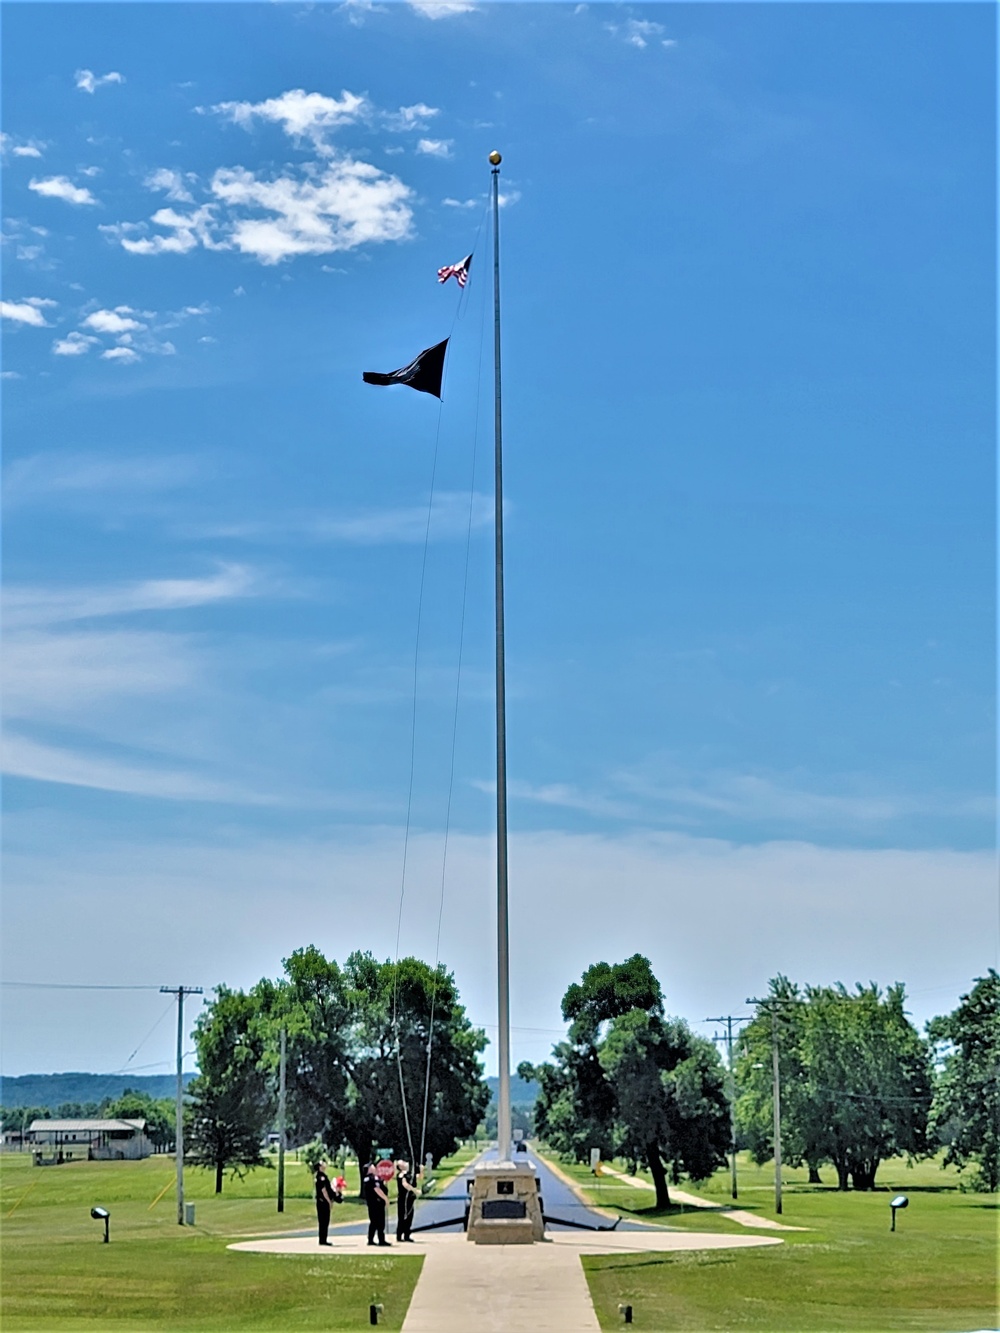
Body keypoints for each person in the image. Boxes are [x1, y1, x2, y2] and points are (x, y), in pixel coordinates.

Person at [363, 1162, 390, 1246]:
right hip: (375, 1203)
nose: (374, 1167)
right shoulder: (371, 1178)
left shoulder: (374, 1178)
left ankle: (373, 1239)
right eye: (372, 1166)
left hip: (375, 1203)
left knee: (375, 1222)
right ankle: (379, 1240)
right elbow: (376, 1189)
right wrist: (385, 1199)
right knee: (378, 1222)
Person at [395, 1159, 418, 1242]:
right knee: (403, 1217)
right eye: (403, 1163)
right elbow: (405, 1184)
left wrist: (421, 1170)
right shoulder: (401, 1175)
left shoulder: (410, 1174)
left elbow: (419, 1177)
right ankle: (399, 1235)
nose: (405, 1163)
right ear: (400, 1167)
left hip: (410, 1199)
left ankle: (407, 1234)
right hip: (403, 1199)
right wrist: (414, 1190)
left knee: (409, 1216)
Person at [314, 1160, 335, 1245]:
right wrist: (329, 1201)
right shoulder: (320, 1177)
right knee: (323, 1221)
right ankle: (322, 1240)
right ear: (320, 1167)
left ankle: (323, 1239)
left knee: (325, 1221)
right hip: (322, 1201)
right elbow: (323, 1190)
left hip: (323, 1201)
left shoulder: (323, 1176)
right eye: (322, 1164)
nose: (324, 1165)